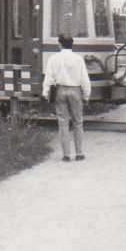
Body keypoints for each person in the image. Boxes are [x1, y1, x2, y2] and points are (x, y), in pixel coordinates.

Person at [42, 34, 92, 162]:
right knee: (78, 122)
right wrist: (86, 95)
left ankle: (66, 155)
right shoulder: (78, 59)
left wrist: (45, 93)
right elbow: (85, 79)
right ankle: (79, 153)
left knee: (63, 122)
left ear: (60, 44)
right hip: (76, 91)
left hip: (60, 90)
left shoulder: (54, 58)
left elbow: (49, 77)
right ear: (72, 44)